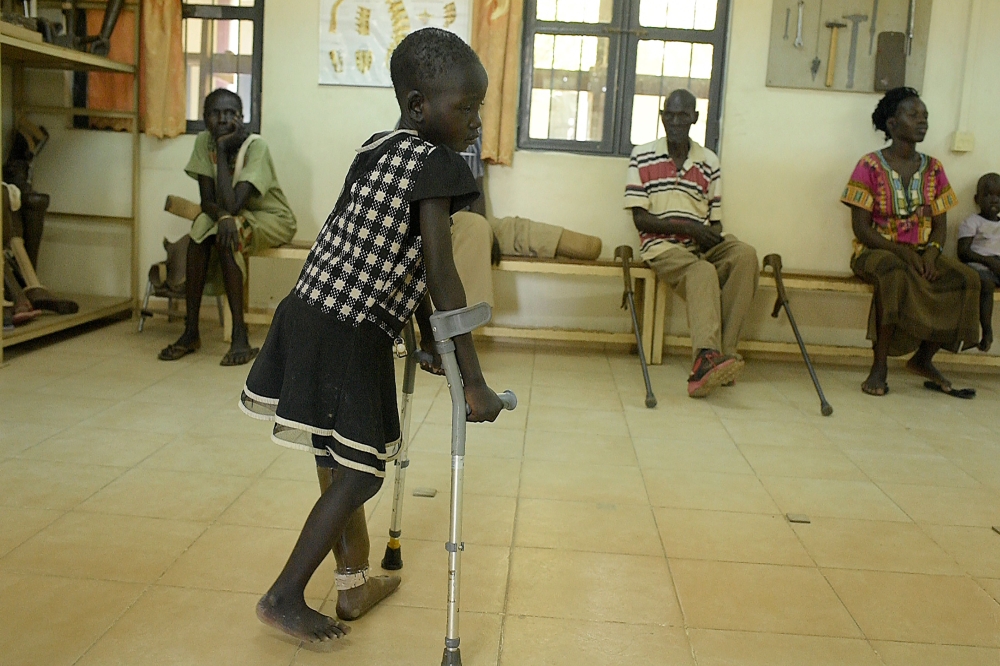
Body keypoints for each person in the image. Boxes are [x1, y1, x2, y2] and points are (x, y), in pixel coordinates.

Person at [239, 27, 505, 643]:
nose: (474, 121)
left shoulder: (376, 147)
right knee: (363, 472)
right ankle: (284, 595)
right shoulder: (437, 164)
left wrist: (425, 342)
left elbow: (385, 249)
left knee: (335, 457)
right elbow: (442, 276)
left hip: (306, 311)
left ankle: (354, 582)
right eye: (463, 107)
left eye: (479, 107)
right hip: (350, 331)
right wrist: (474, 382)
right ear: (418, 106)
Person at [842, 87, 980, 398]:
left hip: (922, 251)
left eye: (925, 116)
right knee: (895, 274)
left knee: (966, 279)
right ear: (892, 124)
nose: (922, 121)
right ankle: (879, 366)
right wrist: (902, 253)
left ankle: (923, 359)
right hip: (876, 251)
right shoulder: (869, 166)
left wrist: (932, 253)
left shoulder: (934, 169)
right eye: (913, 115)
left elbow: (940, 225)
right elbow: (862, 229)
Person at [624, 89, 759, 398]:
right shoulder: (642, 155)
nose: (674, 121)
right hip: (661, 247)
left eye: (682, 115)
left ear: (694, 118)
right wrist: (688, 228)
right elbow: (640, 219)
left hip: (699, 242)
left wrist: (707, 235)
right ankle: (704, 361)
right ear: (661, 117)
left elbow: (715, 221)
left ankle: (722, 355)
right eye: (668, 115)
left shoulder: (708, 161)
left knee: (745, 255)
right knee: (702, 272)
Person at [158, 89, 297, 366]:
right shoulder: (203, 142)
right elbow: (207, 201)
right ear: (204, 118)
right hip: (231, 215)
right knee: (201, 229)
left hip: (271, 218)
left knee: (229, 232)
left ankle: (240, 337)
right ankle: (191, 331)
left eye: (230, 113)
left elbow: (234, 204)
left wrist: (223, 149)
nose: (223, 119)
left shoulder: (256, 146)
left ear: (242, 117)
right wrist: (221, 217)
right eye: (215, 113)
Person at [957, 172, 1000, 352]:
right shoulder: (972, 222)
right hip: (978, 267)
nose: (994, 200)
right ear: (977, 199)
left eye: (998, 195)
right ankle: (987, 331)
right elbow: (963, 252)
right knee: (986, 285)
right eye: (988, 195)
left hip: (997, 267)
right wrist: (989, 262)